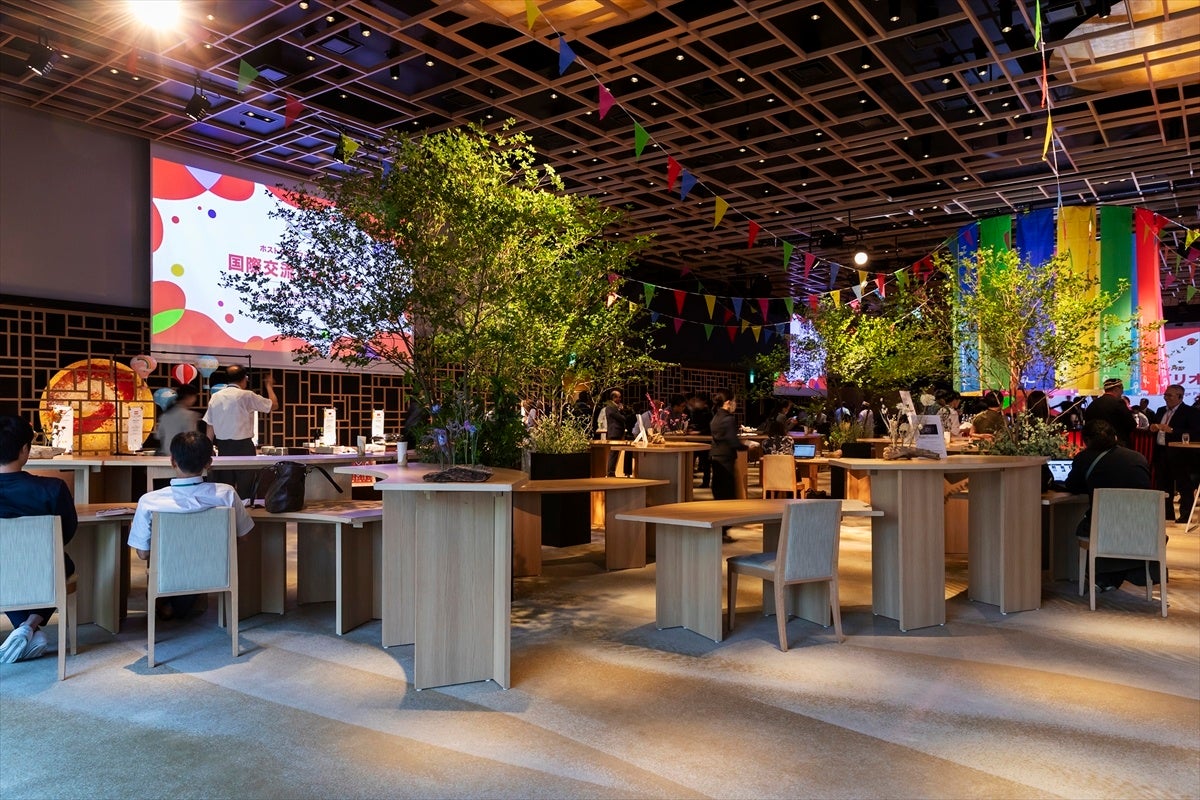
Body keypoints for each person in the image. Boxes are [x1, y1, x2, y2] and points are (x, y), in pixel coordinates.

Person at [129, 432, 255, 619]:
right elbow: (243, 536)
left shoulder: (150, 501)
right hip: (213, 570)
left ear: (172, 461)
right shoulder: (226, 494)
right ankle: (181, 602)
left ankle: (167, 602)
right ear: (209, 463)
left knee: (173, 565)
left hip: (168, 573)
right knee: (195, 564)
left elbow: (143, 553)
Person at [0, 415, 78, 663]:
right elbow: (66, 533)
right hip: (42, 570)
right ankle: (30, 625)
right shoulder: (53, 488)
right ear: (25, 449)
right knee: (62, 563)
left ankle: (24, 629)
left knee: (9, 572)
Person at [1062, 419, 1159, 591]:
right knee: (1114, 525)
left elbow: (1072, 486)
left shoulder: (1084, 459)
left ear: (1087, 440)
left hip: (1105, 529)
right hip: (1143, 530)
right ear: (1114, 437)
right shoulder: (1138, 457)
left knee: (1086, 525)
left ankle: (1104, 575)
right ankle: (1114, 575)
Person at [204, 365, 277, 497]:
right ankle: (245, 508)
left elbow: (210, 424)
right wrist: (269, 386)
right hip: (244, 447)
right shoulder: (247, 395)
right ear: (244, 379)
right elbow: (274, 405)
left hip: (223, 447)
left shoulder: (215, 397)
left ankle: (228, 509)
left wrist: (208, 447)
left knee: (225, 488)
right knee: (246, 488)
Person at [1149, 383, 1199, 522]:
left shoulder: (1190, 412)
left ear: (1180, 397)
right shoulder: (1160, 411)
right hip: (1161, 452)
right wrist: (1153, 428)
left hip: (1181, 455)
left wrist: (1172, 430)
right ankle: (1166, 515)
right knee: (1164, 486)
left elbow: (1196, 433)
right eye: (1165, 395)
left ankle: (1185, 516)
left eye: (1169, 395)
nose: (1166, 398)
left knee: (1184, 486)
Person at [709, 389, 746, 542]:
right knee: (728, 496)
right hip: (726, 460)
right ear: (728, 402)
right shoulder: (729, 419)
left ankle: (720, 530)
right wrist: (747, 446)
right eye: (735, 401)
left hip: (716, 458)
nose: (736, 404)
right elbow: (732, 441)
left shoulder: (716, 417)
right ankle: (723, 529)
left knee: (719, 494)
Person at [1082, 377, 1135, 446]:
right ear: (1116, 389)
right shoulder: (1118, 403)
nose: (1122, 392)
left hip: (1095, 445)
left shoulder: (1093, 404)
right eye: (1122, 389)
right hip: (1115, 445)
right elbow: (1131, 424)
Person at [154, 384, 201, 455]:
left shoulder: (165, 415)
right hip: (183, 456)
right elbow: (192, 439)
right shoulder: (190, 416)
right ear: (189, 397)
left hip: (166, 456)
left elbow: (158, 436)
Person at [602, 389, 629, 477]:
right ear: (613, 397)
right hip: (614, 433)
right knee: (613, 453)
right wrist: (621, 410)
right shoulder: (610, 407)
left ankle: (612, 471)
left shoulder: (615, 407)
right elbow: (621, 418)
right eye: (618, 397)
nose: (620, 399)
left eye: (620, 397)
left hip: (618, 432)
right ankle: (610, 472)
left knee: (615, 453)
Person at [689, 392, 713, 488]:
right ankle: (688, 482)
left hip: (705, 440)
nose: (696, 402)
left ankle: (706, 482)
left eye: (698, 401)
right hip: (694, 440)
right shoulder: (694, 411)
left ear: (704, 402)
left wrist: (699, 432)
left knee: (706, 463)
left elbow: (710, 428)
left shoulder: (709, 413)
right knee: (691, 461)